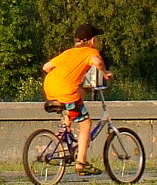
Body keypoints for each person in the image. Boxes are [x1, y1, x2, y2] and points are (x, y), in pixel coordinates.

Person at [42, 23, 112, 176]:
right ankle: (81, 162)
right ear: (92, 40)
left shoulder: (68, 53)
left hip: (50, 87)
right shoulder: (90, 52)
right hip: (66, 91)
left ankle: (66, 126)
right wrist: (105, 73)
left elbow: (46, 67)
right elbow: (97, 62)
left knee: (80, 92)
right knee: (86, 123)